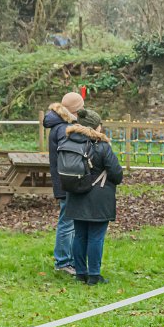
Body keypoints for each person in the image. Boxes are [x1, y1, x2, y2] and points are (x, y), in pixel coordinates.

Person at [61, 109, 123, 285]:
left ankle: (80, 273)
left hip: (75, 194)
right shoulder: (101, 146)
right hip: (98, 198)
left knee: (79, 236)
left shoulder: (68, 142)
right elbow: (117, 174)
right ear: (95, 127)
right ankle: (94, 275)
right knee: (96, 236)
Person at [44, 92, 84, 276]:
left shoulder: (59, 124)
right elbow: (69, 157)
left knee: (69, 221)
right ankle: (63, 261)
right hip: (67, 181)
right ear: (75, 110)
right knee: (67, 222)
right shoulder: (63, 128)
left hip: (64, 180)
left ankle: (69, 260)